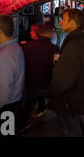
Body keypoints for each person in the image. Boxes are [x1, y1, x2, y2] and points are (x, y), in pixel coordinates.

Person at [48, 8, 84, 136]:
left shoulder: (73, 45)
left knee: (72, 132)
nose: (61, 22)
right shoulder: (79, 40)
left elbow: (64, 79)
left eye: (64, 19)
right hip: (78, 100)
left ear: (73, 23)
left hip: (71, 102)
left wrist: (52, 91)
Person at [21, 23, 58, 119]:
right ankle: (41, 109)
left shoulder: (27, 46)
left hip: (31, 80)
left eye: (32, 31)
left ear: (38, 33)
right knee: (39, 96)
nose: (30, 32)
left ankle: (25, 122)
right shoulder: (54, 47)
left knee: (27, 103)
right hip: (46, 81)